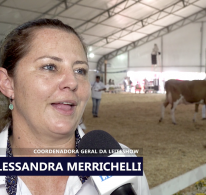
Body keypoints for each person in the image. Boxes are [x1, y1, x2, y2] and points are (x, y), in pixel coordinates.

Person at [0, 18, 151, 195]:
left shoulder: (121, 161)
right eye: (50, 67)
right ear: (7, 84)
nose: (72, 82)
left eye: (80, 70)